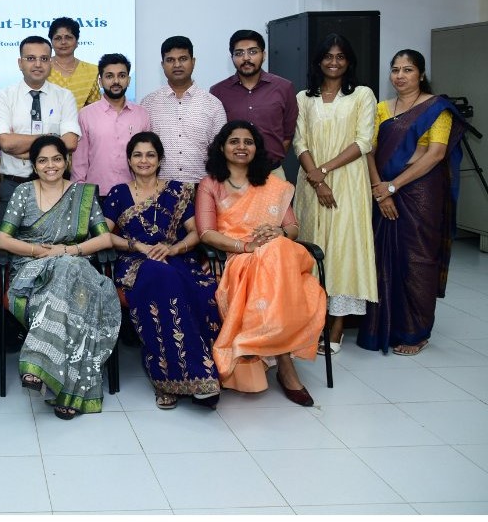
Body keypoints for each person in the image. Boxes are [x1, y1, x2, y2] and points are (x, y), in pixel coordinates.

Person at [196, 121, 326, 407]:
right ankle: (285, 364)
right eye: (234, 141)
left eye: (248, 142)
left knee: (276, 249)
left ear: (256, 149)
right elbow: (206, 232)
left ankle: (272, 347)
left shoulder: (272, 184)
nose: (241, 147)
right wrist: (246, 246)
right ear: (222, 147)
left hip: (277, 257)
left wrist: (279, 232)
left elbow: (292, 228)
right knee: (271, 260)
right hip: (236, 257)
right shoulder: (210, 184)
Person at [0, 136, 119, 420]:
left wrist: (67, 250)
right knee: (70, 278)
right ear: (34, 165)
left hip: (75, 267)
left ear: (66, 161)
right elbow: (3, 240)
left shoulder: (82, 194)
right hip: (31, 270)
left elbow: (105, 239)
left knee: (68, 267)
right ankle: (68, 393)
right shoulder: (23, 192)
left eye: (56, 159)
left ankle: (39, 365)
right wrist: (39, 251)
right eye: (42, 160)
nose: (50, 165)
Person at [358, 49, 466, 357]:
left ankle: (415, 332)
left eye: (407, 69)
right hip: (383, 189)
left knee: (417, 259)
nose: (400, 76)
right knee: (381, 256)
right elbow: (369, 151)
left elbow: (435, 154)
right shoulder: (382, 108)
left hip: (421, 193)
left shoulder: (437, 108)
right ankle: (381, 325)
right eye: (395, 70)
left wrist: (393, 186)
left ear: (421, 74)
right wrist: (380, 189)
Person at [102, 132, 220, 409]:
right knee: (161, 279)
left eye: (150, 155)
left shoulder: (177, 190)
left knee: (204, 291)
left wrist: (174, 249)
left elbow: (195, 232)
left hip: (175, 258)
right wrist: (138, 246)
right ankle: (169, 381)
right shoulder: (118, 193)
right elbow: (104, 235)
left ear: (160, 159)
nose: (144, 160)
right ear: (129, 160)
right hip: (135, 262)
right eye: (137, 155)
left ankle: (201, 375)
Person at [292, 35, 378, 354]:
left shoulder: (362, 95)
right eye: (328, 56)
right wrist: (317, 180)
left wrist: (324, 170)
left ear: (349, 61)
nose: (334, 62)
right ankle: (312, 320)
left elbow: (364, 141)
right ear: (318, 61)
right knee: (312, 246)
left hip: (348, 182)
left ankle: (337, 326)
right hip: (311, 183)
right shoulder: (304, 98)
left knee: (344, 248)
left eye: (341, 56)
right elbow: (299, 142)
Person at [0, 36, 81, 219]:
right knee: (9, 238)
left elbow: (70, 142)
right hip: (14, 185)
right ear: (20, 63)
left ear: (51, 63)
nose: (38, 64)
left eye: (44, 59)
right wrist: (51, 139)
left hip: (56, 186)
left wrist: (24, 150)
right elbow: (6, 143)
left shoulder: (64, 97)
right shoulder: (4, 96)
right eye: (31, 58)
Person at [211, 29, 298, 177]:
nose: (246, 58)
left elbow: (288, 133)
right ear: (232, 58)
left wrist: (269, 162)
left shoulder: (284, 88)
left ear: (263, 55)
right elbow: (217, 136)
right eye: (239, 53)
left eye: (252, 52)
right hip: (232, 175)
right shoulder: (218, 92)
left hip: (272, 173)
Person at [141, 36, 227, 183]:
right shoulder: (148, 104)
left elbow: (222, 152)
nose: (177, 65)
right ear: (162, 65)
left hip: (202, 188)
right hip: (159, 188)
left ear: (193, 62)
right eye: (170, 60)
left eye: (183, 59)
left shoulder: (213, 104)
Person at [72, 53, 151, 198]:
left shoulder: (142, 114)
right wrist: (80, 197)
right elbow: (79, 164)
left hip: (134, 195)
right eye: (109, 76)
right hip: (96, 195)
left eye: (121, 76)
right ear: (100, 81)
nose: (116, 81)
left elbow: (149, 158)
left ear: (128, 80)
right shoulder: (86, 115)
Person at [47, 17, 101, 109]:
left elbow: (95, 109)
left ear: (77, 42)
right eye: (58, 38)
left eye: (68, 37)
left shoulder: (91, 71)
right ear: (51, 42)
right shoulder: (42, 68)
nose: (63, 42)